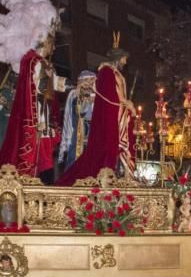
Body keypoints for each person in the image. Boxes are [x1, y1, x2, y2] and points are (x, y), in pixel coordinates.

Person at [57, 32, 136, 185]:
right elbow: (109, 97)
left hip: (114, 118)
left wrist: (127, 106)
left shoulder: (116, 73)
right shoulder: (106, 72)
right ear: (118, 58)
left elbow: (114, 96)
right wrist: (126, 104)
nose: (126, 62)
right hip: (103, 123)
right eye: (124, 58)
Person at [0, 32, 67, 182]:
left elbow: (53, 85)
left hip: (44, 113)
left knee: (45, 155)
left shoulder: (41, 63)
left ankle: (46, 188)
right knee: (32, 155)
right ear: (45, 43)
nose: (53, 49)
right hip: (35, 115)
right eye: (52, 44)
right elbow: (40, 86)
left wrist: (71, 86)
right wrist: (49, 77)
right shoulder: (33, 61)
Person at [58, 70, 96, 170]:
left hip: (92, 129)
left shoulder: (95, 95)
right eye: (88, 80)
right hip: (79, 128)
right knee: (75, 157)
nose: (91, 84)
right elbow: (80, 111)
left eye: (92, 81)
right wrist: (88, 101)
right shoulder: (75, 93)